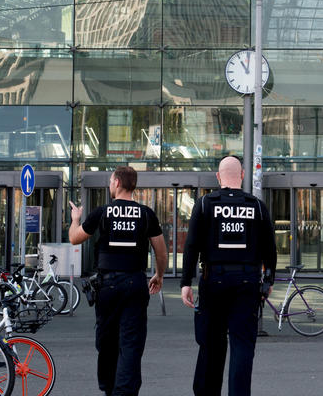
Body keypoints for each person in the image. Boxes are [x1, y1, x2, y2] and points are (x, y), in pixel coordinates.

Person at [180, 156, 277, 396]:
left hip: (213, 281)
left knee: (211, 343)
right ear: (242, 175)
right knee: (242, 345)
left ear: (218, 177)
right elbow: (270, 248)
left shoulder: (205, 204)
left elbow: (191, 245)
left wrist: (185, 283)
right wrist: (270, 280)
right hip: (247, 282)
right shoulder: (256, 206)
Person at [68, 165, 167, 396]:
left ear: (117, 183)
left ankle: (109, 388)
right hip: (135, 282)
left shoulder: (102, 212)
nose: (110, 184)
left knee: (106, 341)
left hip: (107, 285)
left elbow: (74, 238)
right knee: (131, 343)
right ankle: (125, 392)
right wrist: (159, 275)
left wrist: (75, 219)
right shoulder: (146, 214)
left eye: (111, 181)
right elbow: (161, 252)